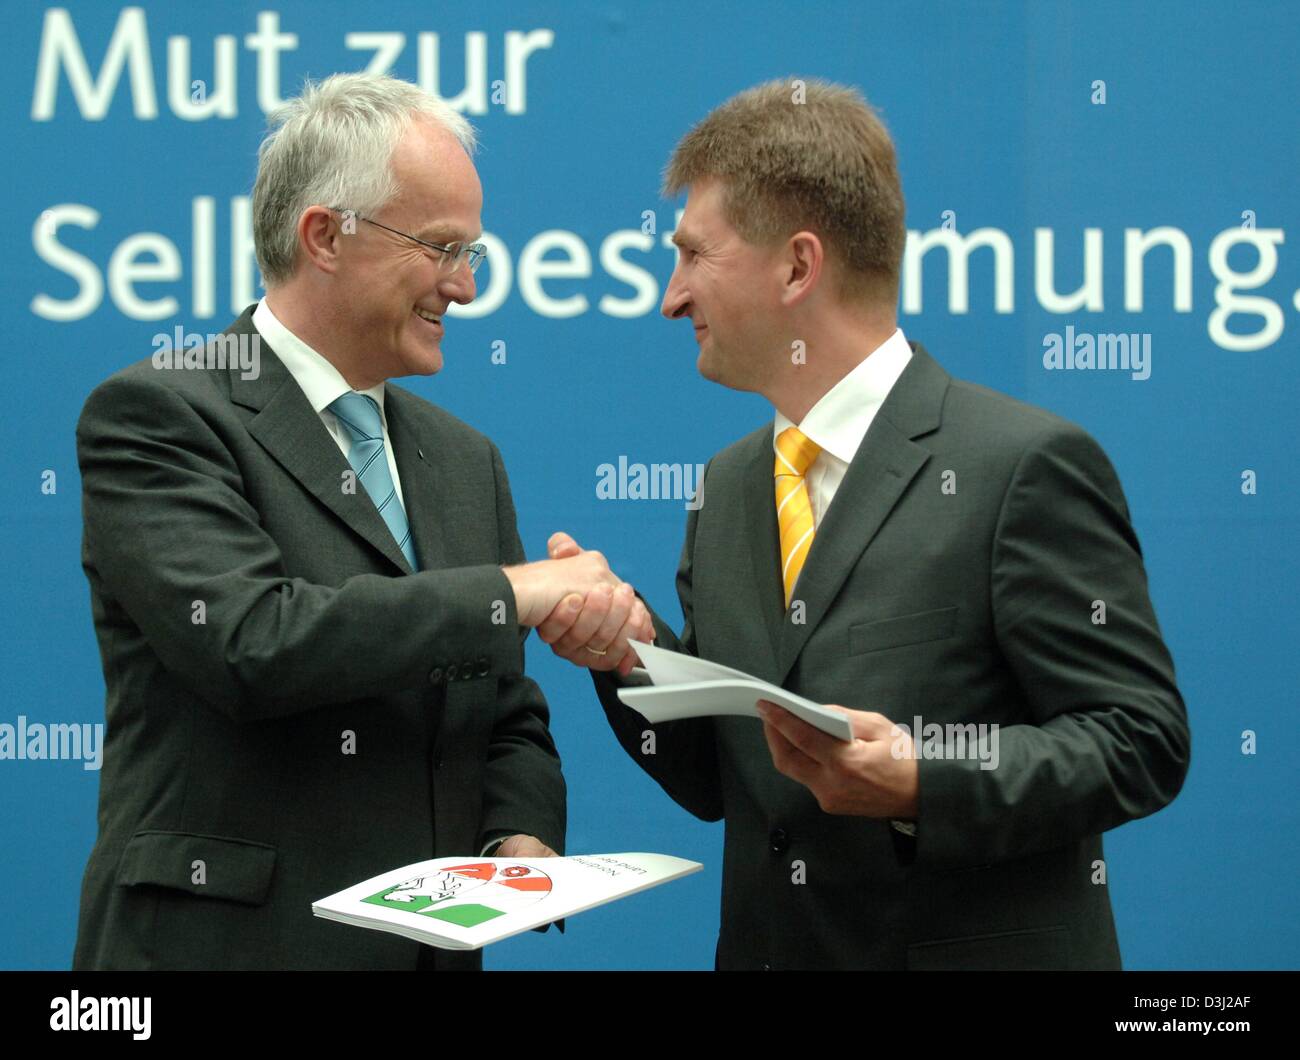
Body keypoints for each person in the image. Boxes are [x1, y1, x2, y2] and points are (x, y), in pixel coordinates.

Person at [539, 78, 1191, 970]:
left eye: (693, 256)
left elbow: (1139, 740)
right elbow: (722, 783)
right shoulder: (729, 488)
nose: (670, 296)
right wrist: (629, 651)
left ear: (798, 267)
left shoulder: (1022, 467)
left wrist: (922, 776)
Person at [71, 72, 650, 971]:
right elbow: (253, 643)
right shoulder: (158, 414)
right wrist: (514, 590)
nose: (464, 287)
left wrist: (518, 840)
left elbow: (505, 711)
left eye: (474, 253)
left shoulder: (465, 459)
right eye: (441, 248)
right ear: (325, 235)